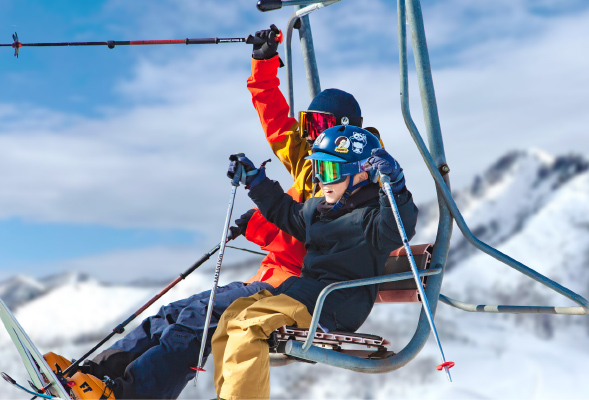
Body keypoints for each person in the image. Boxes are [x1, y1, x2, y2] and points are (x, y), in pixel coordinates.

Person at [43, 24, 370, 400]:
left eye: (323, 126)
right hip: (268, 280)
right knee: (170, 314)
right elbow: (277, 123)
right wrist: (263, 64)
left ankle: (130, 393)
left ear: (348, 135)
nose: (314, 136)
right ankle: (92, 375)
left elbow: (309, 239)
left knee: (195, 323)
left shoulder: (351, 184)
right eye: (310, 125)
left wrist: (260, 224)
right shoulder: (310, 165)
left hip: (293, 291)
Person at [212, 125, 418, 400]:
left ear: (360, 173)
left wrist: (396, 186)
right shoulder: (318, 211)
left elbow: (398, 227)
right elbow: (284, 212)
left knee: (248, 326)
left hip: (335, 305)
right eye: (318, 169)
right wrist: (255, 181)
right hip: (305, 295)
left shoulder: (373, 219)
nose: (321, 180)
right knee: (229, 318)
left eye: (330, 171)